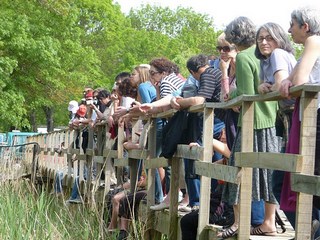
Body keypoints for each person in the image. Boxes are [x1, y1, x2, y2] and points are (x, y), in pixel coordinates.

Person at [217, 17, 280, 238]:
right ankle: (269, 222)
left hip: (252, 123)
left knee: (238, 170)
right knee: (270, 173)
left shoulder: (244, 56)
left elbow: (244, 91)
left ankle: (238, 223)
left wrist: (229, 95)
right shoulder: (264, 53)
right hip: (270, 121)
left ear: (234, 37)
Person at [279, 6, 320, 239]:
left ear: (305, 27)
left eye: (292, 25)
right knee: (303, 181)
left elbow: (299, 81)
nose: (289, 30)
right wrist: (286, 82)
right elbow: (290, 79)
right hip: (311, 116)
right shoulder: (311, 45)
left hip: (316, 118)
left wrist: (289, 84)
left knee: (308, 182)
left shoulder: (314, 40)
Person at [255, 22, 297, 227]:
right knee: (285, 179)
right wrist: (261, 86)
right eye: (260, 38)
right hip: (286, 118)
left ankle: (310, 226)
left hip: (294, 117)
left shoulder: (277, 54)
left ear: (279, 38)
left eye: (269, 37)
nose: (264, 42)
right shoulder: (266, 61)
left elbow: (281, 84)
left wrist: (269, 87)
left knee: (281, 180)